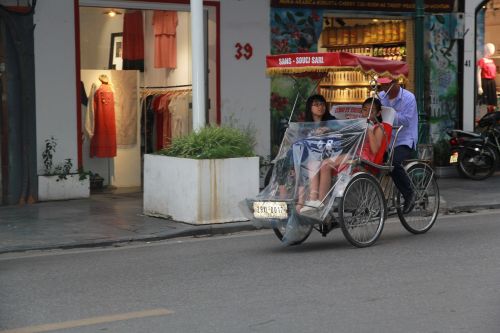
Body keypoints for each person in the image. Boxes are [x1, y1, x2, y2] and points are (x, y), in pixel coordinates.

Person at [300, 97, 389, 213]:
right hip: (350, 153)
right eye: (365, 110)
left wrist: (369, 129)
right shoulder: (358, 123)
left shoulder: (378, 128)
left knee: (326, 164)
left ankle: (321, 202)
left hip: (363, 158)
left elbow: (375, 149)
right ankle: (313, 200)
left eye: (371, 111)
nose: (367, 113)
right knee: (315, 163)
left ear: (378, 113)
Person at [377, 76, 417, 214]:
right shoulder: (381, 97)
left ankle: (409, 193)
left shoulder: (409, 98)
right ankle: (377, 199)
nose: (384, 88)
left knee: (393, 162)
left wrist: (390, 114)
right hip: (386, 140)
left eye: (387, 85)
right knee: (372, 161)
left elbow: (406, 120)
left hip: (405, 139)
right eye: (382, 85)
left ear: (396, 83)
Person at [477, 43, 497, 114]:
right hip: (485, 83)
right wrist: (479, 86)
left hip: (492, 83)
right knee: (485, 103)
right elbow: (478, 73)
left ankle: (491, 117)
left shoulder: (492, 61)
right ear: (486, 50)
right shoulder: (481, 61)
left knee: (492, 103)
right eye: (490, 48)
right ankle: (484, 118)